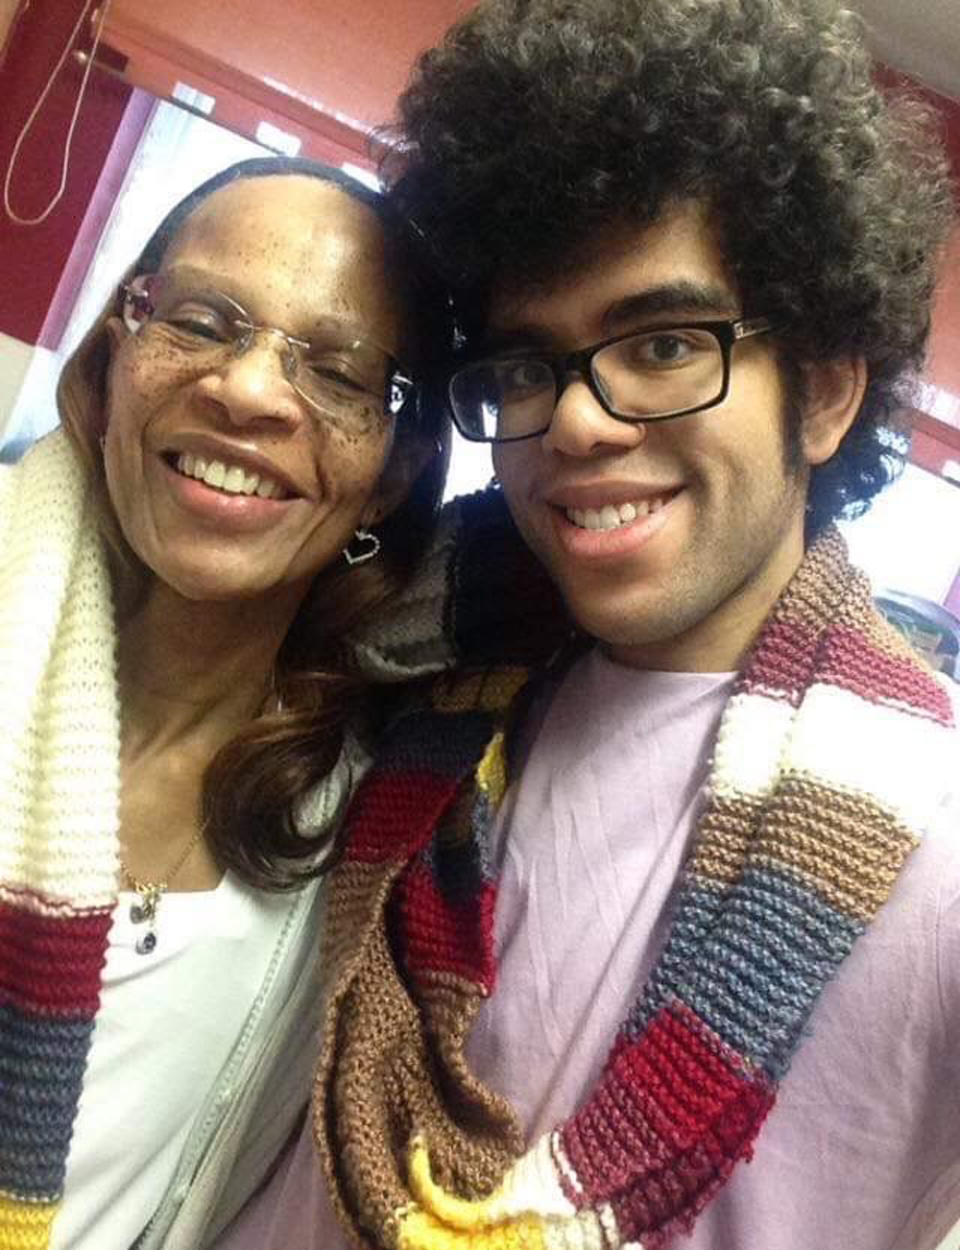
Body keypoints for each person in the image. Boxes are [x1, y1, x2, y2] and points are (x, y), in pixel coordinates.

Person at [214, 2, 960, 1248]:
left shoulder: (932, 839)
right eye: (524, 365)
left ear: (824, 392)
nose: (577, 423)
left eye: (664, 342)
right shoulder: (423, 667)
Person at [0, 155, 452, 1250]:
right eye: (203, 321)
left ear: (389, 473)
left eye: (339, 372)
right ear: (115, 356)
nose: (249, 390)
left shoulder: (368, 837)